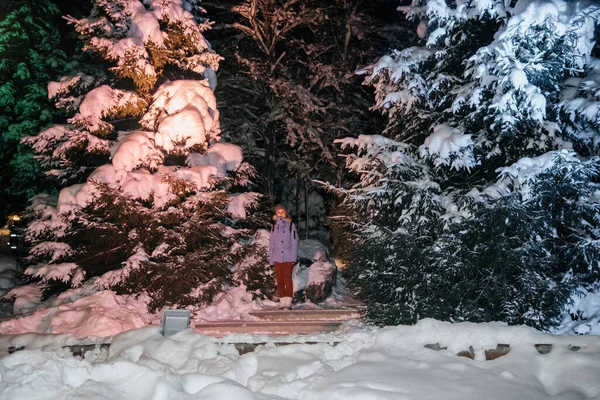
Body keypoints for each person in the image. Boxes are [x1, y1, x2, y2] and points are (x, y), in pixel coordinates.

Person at [268, 204, 299, 309]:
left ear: (286, 213)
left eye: (282, 212)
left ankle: (288, 302)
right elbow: (271, 244)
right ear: (276, 214)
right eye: (278, 212)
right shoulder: (273, 226)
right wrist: (271, 260)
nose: (280, 214)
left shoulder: (291, 225)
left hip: (288, 257)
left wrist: (293, 258)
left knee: (287, 279)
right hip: (277, 257)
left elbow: (295, 243)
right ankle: (282, 301)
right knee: (279, 280)